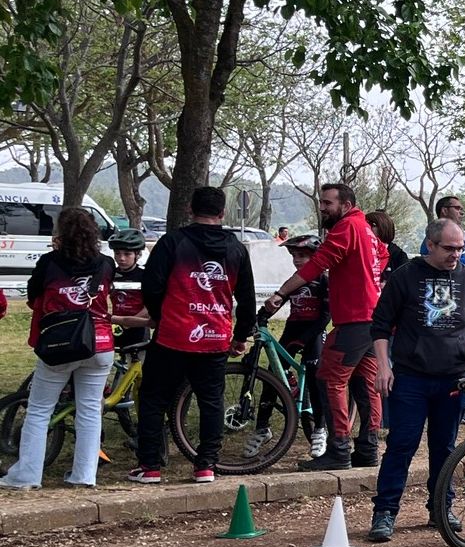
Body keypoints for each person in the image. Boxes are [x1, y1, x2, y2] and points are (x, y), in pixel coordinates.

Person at [366, 218, 465, 542]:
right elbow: (380, 326)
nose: (456, 254)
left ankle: (441, 509)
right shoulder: (405, 276)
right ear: (431, 245)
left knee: (445, 448)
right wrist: (384, 367)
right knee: (401, 445)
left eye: (460, 248)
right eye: (449, 248)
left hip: (455, 379)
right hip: (411, 377)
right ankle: (385, 512)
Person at [134, 186, 257, 484]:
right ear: (222, 213)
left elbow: (150, 286)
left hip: (173, 335)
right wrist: (240, 336)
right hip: (215, 338)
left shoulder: (172, 242)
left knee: (153, 399)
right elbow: (247, 298)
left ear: (190, 209)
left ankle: (150, 467)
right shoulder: (237, 249)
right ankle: (206, 466)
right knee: (211, 401)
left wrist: (160, 316)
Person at [268, 183, 388, 472]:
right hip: (373, 319)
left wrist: (281, 293)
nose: (322, 208)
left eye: (327, 203)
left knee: (327, 377)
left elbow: (316, 265)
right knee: (364, 383)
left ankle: (339, 449)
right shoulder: (365, 229)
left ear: (345, 205)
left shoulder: (347, 227)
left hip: (355, 320)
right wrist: (367, 281)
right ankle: (368, 449)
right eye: (321, 202)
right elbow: (383, 255)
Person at [1, 209, 117, 490]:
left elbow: (33, 295)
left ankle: (27, 475)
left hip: (60, 344)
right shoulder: (106, 264)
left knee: (40, 409)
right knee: (90, 410)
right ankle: (84, 475)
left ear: (60, 234)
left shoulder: (49, 263)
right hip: (99, 342)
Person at [252, 234, 333, 459]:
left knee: (316, 377)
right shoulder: (295, 279)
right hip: (292, 328)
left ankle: (320, 429)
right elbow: (279, 301)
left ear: (315, 257)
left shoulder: (323, 280)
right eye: (294, 256)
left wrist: (306, 338)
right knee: (273, 375)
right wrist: (261, 317)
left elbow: (326, 315)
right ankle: (262, 427)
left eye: (302, 256)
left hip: (314, 332)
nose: (297, 260)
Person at [106, 228, 151, 355]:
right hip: (112, 327)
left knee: (136, 367)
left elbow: (151, 304)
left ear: (138, 255)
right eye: (117, 253)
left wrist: (132, 321)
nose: (121, 258)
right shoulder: (109, 274)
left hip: (138, 328)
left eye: (127, 254)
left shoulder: (145, 276)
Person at [366, 210, 407, 275]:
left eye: (372, 224)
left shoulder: (399, 256)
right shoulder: (363, 251)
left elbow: (404, 281)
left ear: (383, 226)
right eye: (366, 224)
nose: (368, 228)